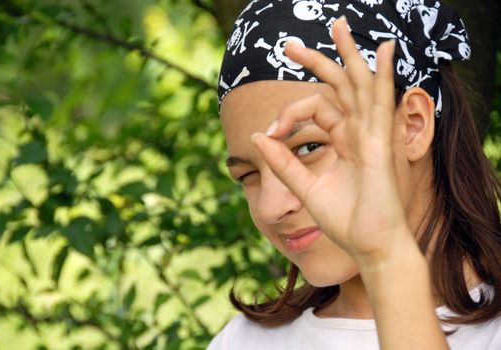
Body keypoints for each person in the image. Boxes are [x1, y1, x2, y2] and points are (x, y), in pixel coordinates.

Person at [208, 0, 501, 349]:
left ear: (412, 126)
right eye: (248, 175)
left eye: (308, 147)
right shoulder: (241, 343)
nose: (272, 207)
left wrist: (386, 260)